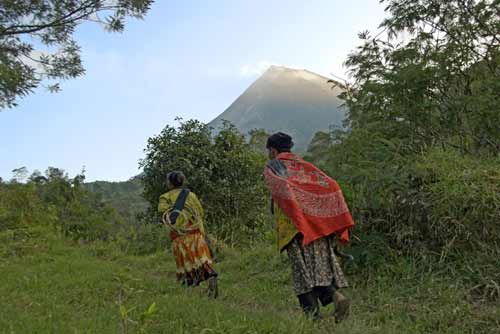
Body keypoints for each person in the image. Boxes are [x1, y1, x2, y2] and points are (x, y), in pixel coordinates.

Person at [264, 132, 355, 320]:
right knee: (318, 269)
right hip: (317, 226)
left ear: (273, 151)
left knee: (301, 273)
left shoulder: (273, 167)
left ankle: (313, 319)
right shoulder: (304, 166)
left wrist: (296, 212)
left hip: (295, 229)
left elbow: (281, 190)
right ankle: (337, 297)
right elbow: (331, 184)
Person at [158, 171, 218, 298]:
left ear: (170, 183)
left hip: (178, 236)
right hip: (195, 233)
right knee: (201, 259)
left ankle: (188, 290)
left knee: (185, 262)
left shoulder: (165, 197)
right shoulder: (191, 195)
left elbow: (162, 211)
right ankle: (210, 277)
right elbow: (200, 212)